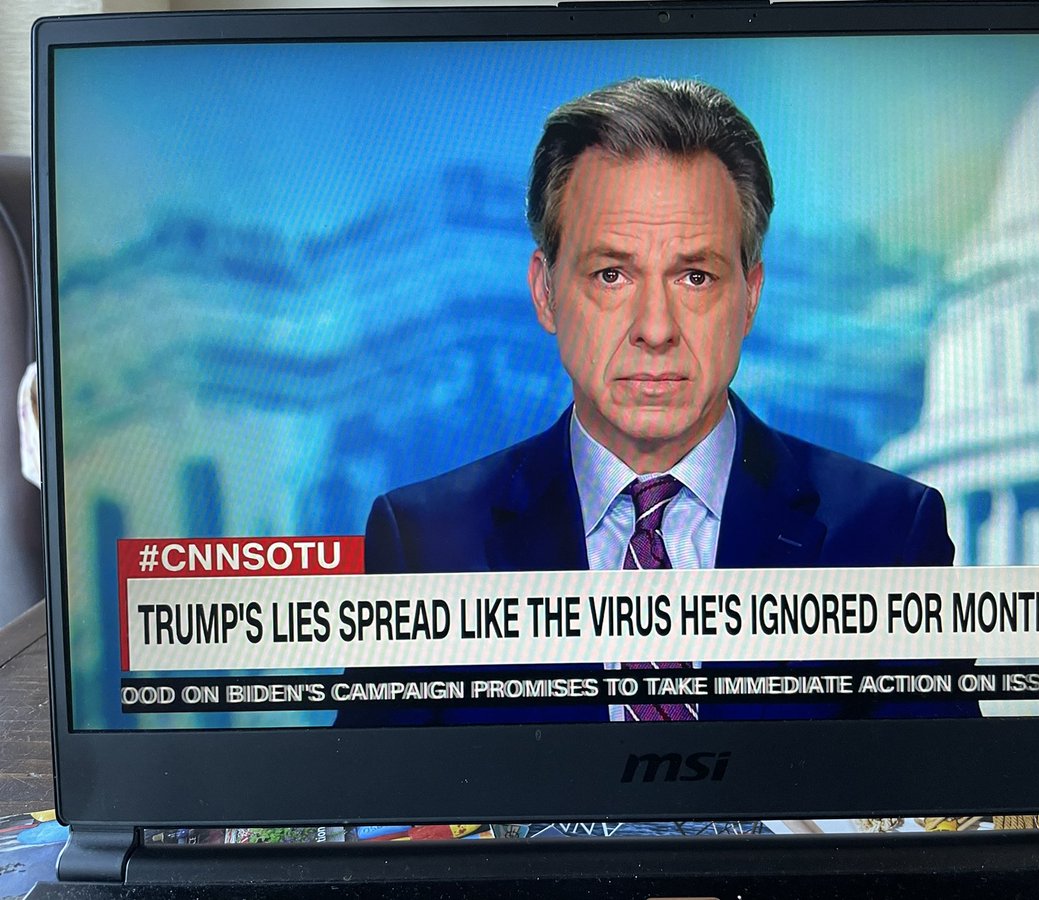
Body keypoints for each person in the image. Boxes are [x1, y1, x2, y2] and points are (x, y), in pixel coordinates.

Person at [339, 78, 972, 725]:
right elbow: (379, 792)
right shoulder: (423, 544)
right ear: (546, 293)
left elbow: (944, 788)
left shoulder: (889, 533)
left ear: (750, 297)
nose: (656, 328)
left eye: (695, 276)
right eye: (611, 275)